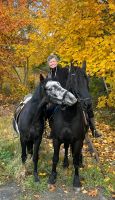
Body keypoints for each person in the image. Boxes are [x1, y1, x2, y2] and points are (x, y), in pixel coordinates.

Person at [47, 54, 101, 138]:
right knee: (48, 110)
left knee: (87, 107)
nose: (52, 63)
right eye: (50, 62)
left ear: (57, 62)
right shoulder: (49, 75)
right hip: (57, 98)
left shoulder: (64, 70)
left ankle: (93, 129)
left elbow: (72, 80)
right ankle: (52, 129)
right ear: (48, 64)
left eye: (54, 61)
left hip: (67, 94)